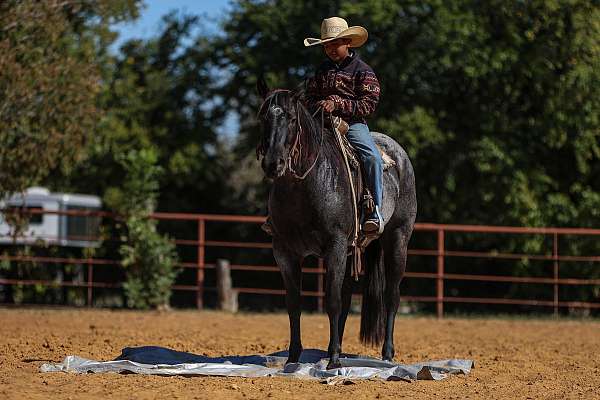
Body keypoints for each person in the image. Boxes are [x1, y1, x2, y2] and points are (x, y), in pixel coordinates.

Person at [304, 16, 384, 234]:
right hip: (321, 123)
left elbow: (369, 104)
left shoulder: (363, 71)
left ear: (347, 42)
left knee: (372, 157)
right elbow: (307, 97)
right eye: (326, 45)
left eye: (335, 44)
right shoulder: (321, 71)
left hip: (352, 125)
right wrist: (317, 104)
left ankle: (374, 210)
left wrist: (337, 103)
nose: (330, 49)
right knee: (292, 149)